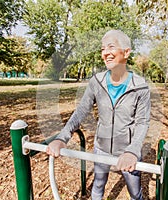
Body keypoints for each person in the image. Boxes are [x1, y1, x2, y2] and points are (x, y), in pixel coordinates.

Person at [46, 29, 151, 200]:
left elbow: (142, 122)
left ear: (126, 52)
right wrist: (62, 138)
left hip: (127, 149)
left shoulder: (140, 86)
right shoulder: (97, 82)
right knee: (98, 186)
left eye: (111, 47)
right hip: (101, 148)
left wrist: (132, 151)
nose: (106, 53)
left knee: (135, 192)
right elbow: (81, 111)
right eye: (103, 49)